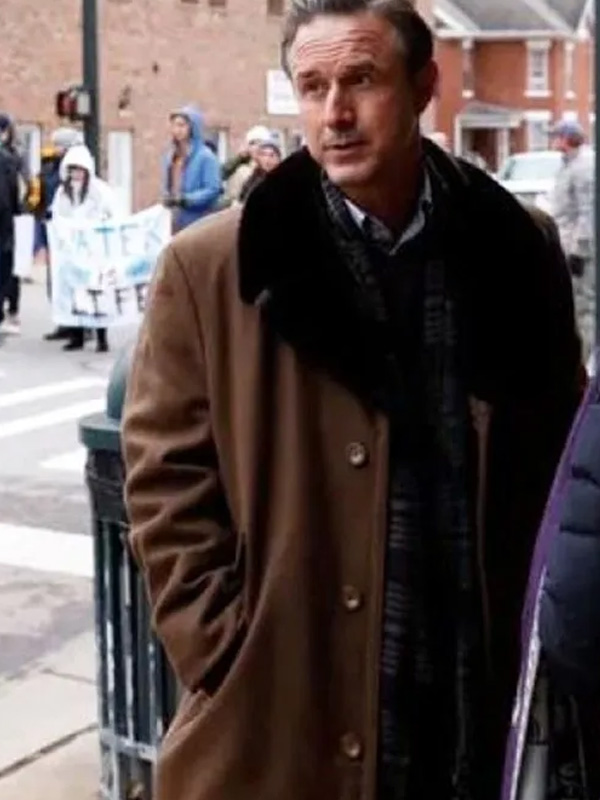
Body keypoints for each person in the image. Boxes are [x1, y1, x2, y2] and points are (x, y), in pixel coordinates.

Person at [122, 2, 581, 799]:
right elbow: (165, 482)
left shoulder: (518, 247)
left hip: (470, 693)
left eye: (361, 80)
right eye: (313, 86)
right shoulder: (211, 268)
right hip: (282, 713)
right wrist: (221, 648)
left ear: (423, 87)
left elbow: (562, 462)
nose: (334, 113)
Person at [50, 143, 115, 352]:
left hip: (95, 251)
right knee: (74, 293)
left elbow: (111, 214)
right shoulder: (63, 193)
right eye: (72, 170)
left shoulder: (100, 191)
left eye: (80, 169)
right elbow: (58, 216)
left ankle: (101, 337)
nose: (76, 174)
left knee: (97, 293)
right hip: (72, 251)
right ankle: (76, 336)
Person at [32, 127, 85, 341]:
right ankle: (63, 320)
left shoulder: (77, 168)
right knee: (56, 278)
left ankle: (80, 325)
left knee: (74, 278)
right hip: (53, 229)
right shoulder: (50, 168)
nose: (56, 149)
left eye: (60, 145)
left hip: (72, 233)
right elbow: (43, 199)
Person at [549, 119, 595, 360]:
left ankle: (586, 359)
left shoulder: (583, 168)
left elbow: (588, 211)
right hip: (566, 246)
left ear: (567, 139)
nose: (552, 140)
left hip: (581, 252)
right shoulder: (567, 165)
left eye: (556, 135)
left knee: (584, 306)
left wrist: (579, 251)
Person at [162, 106, 222, 232]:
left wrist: (187, 199)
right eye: (174, 125)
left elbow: (213, 189)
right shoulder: (171, 157)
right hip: (175, 220)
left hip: (199, 220)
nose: (177, 130)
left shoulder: (205, 157)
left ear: (193, 127)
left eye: (182, 125)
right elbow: (168, 185)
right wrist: (167, 198)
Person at [0, 113, 29, 335]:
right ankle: (10, 310)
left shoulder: (12, 157)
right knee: (9, 267)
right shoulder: (14, 157)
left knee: (9, 267)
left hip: (9, 219)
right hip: (11, 218)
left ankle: (10, 309)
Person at [223, 124, 271, 203]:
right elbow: (232, 200)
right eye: (253, 143)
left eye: (261, 142)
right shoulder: (242, 171)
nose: (257, 146)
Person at [238, 132, 283, 202]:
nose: (267, 159)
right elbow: (242, 198)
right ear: (258, 158)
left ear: (278, 158)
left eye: (271, 155)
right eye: (263, 154)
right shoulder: (253, 178)